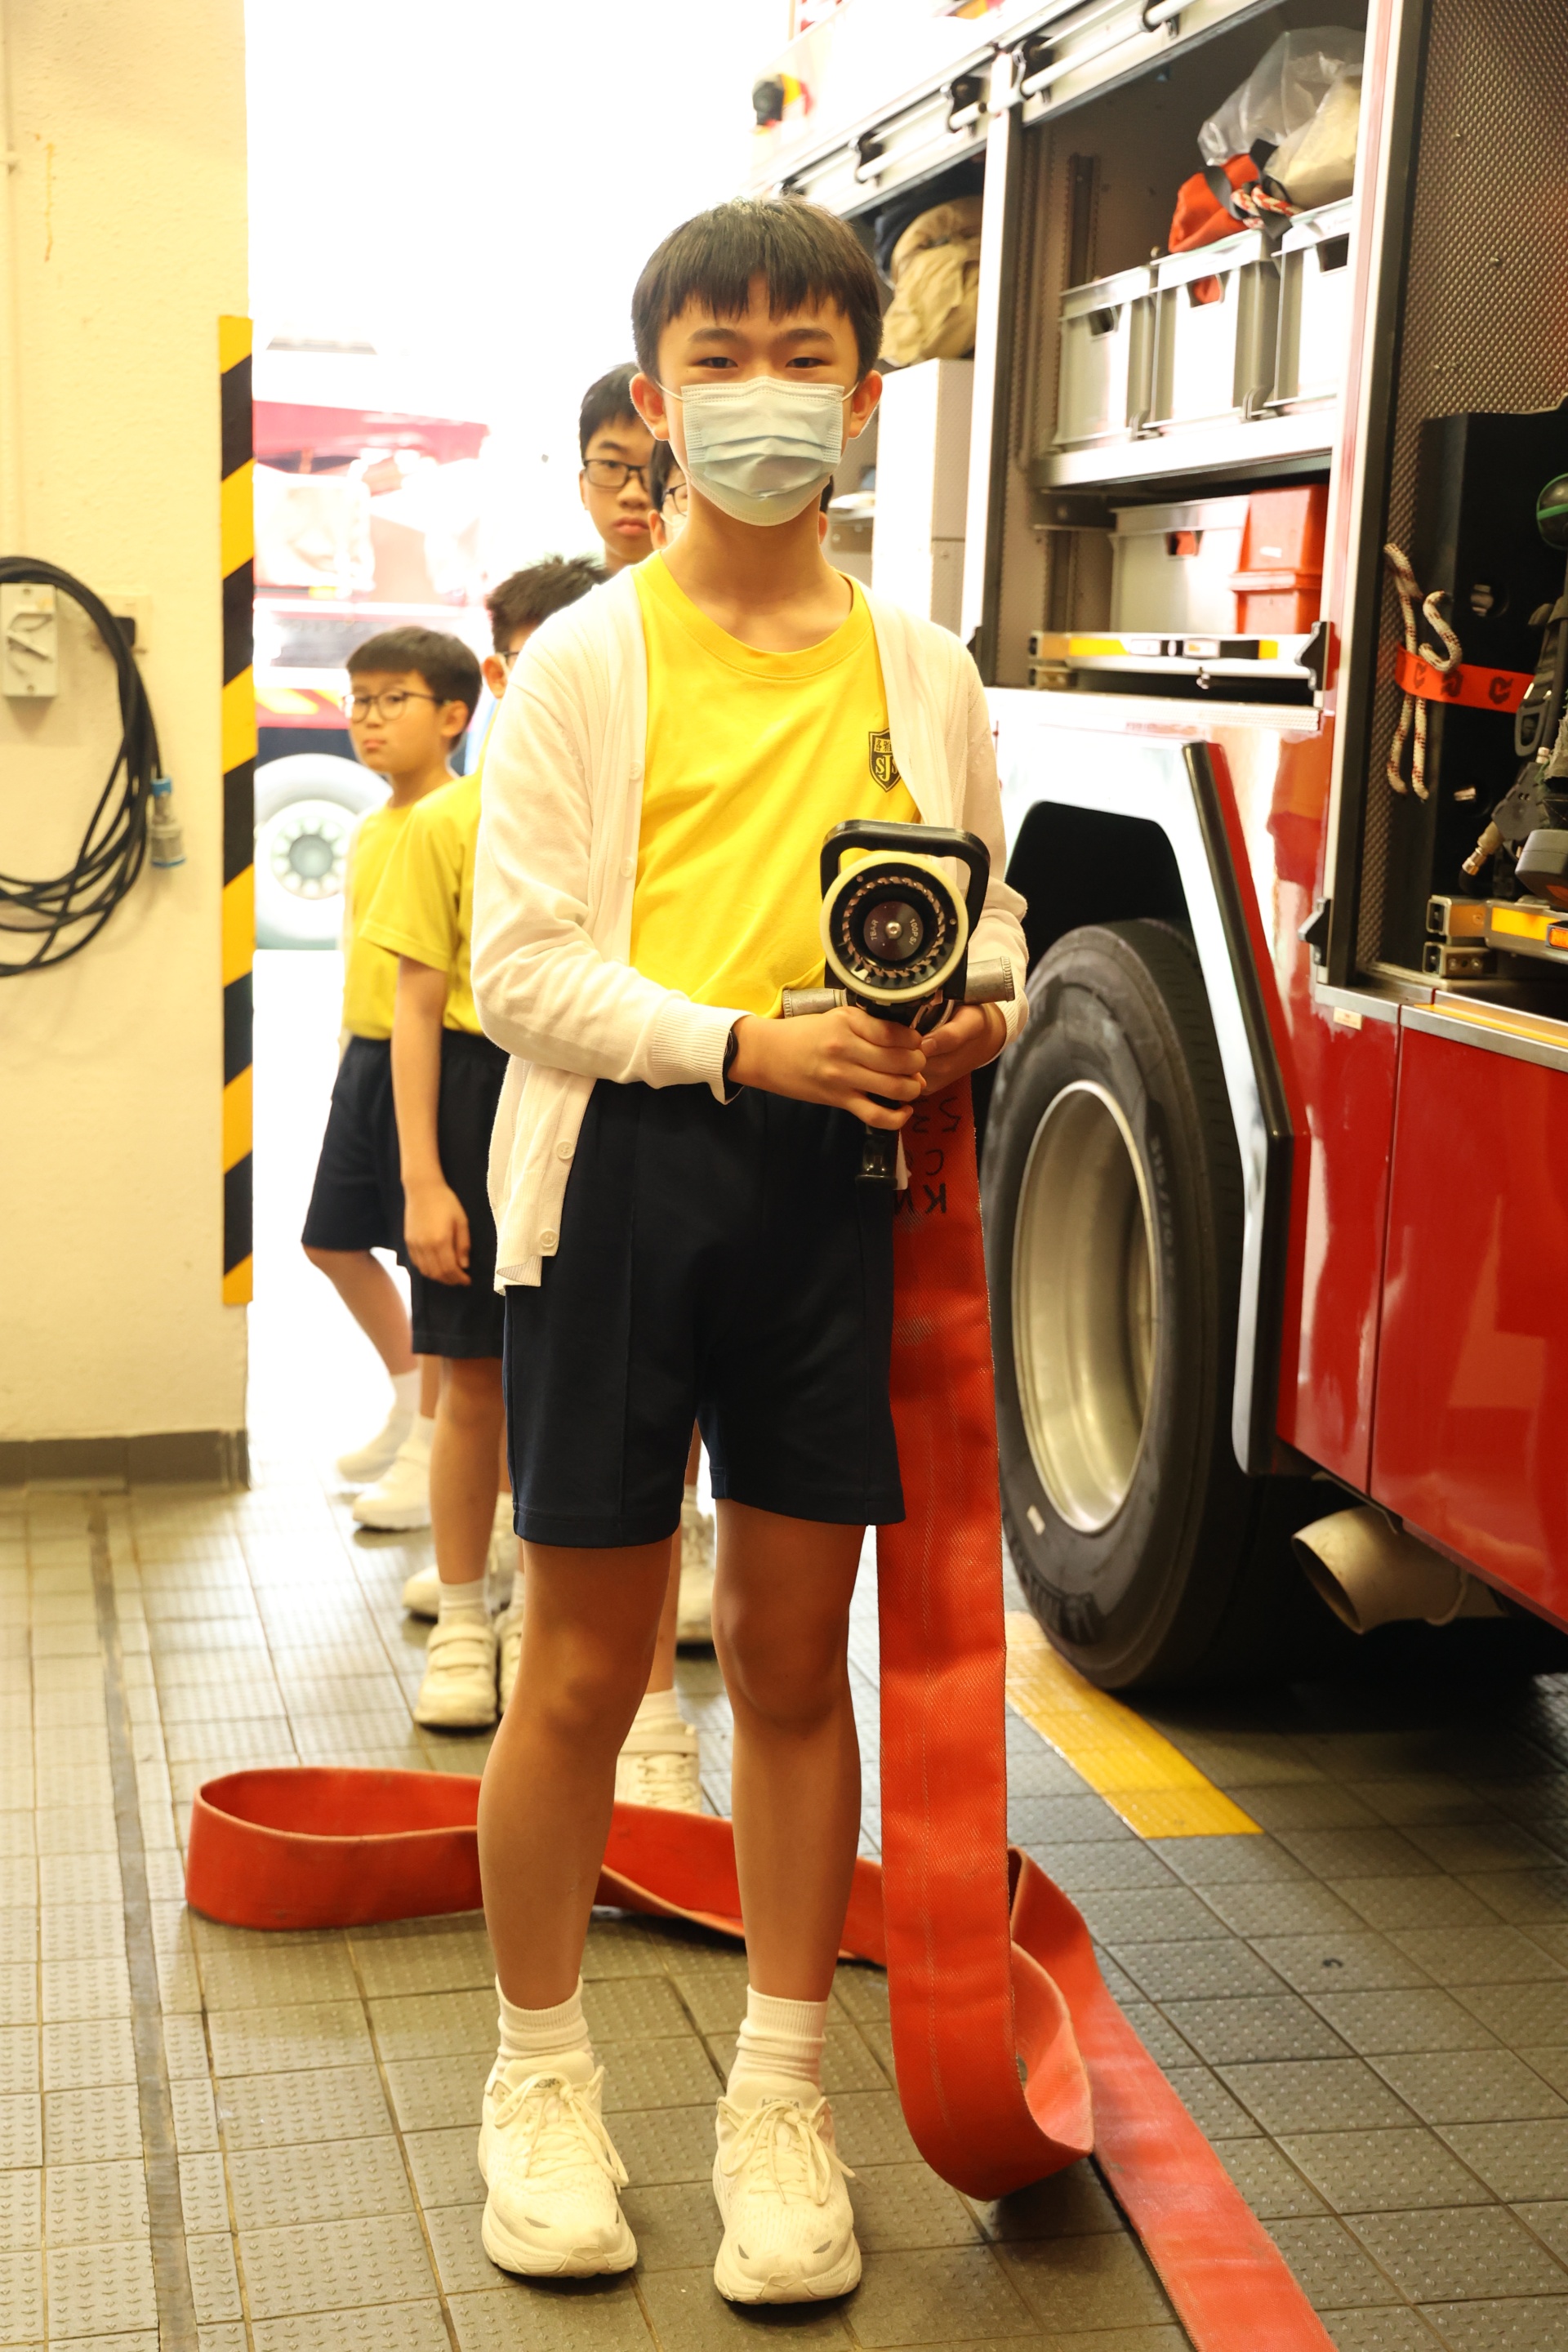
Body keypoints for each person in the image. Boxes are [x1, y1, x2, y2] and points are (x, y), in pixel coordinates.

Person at [469, 196, 1027, 2299]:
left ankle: (781, 2104)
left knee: (792, 1665)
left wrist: (973, 1016)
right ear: (657, 398)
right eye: (723, 358)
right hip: (626, 1175)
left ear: (866, 397)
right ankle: (540, 2081)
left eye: (807, 356)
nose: (766, 394)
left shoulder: (924, 669)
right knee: (579, 1668)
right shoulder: (585, 661)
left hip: (834, 1194)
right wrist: (740, 1045)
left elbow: (988, 913)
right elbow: (522, 969)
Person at [359, 563, 602, 1726]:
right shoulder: (450, 822)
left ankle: (541, 1619)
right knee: (475, 1380)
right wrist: (422, 1178)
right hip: (473, 1091)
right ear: (500, 673)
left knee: (588, 1383)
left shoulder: (634, 817)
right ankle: (463, 1619)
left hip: (598, 1091)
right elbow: (415, 1008)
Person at [301, 626, 482, 1530]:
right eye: (360, 701)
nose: (368, 720)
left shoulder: (459, 818)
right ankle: (412, 1399)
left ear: (453, 716)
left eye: (392, 700)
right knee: (330, 1239)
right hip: (368, 1058)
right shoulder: (374, 824)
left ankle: (433, 1441)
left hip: (436, 1059)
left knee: (434, 1262)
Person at [579, 363, 656, 572]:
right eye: (611, 464)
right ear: (582, 486)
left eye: (657, 468)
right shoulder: (548, 593)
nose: (633, 495)